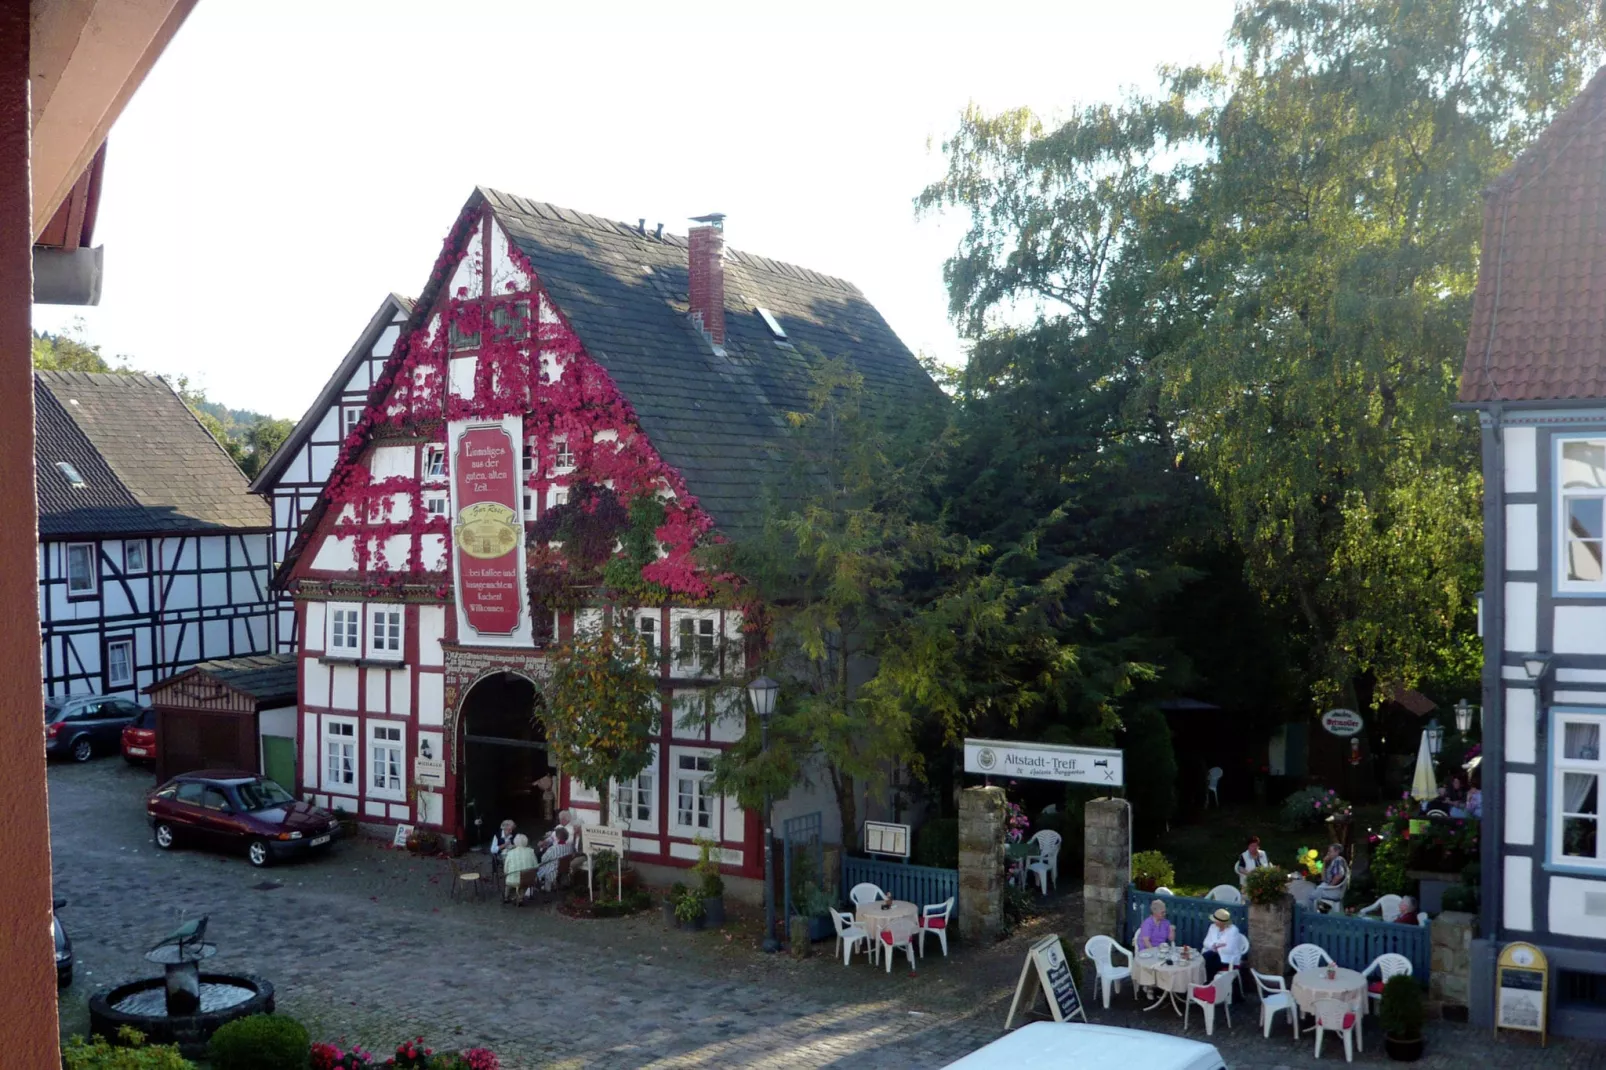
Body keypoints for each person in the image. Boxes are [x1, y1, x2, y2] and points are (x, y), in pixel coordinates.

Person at [1201, 907, 1248, 996]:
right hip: (1213, 953)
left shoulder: (1233, 930)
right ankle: (1205, 986)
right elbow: (1206, 942)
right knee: (1203, 959)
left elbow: (1230, 949)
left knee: (1209, 962)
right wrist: (1216, 945)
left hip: (1228, 959)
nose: (1214, 922)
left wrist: (1215, 946)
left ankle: (1209, 989)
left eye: (1216, 920)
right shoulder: (1212, 927)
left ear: (1222, 922)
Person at [536, 827, 575, 891]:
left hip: (552, 873)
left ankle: (544, 886)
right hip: (563, 872)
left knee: (538, 869)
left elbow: (543, 860)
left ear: (557, 837)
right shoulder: (570, 848)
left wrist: (545, 849)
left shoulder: (553, 849)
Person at [500, 834, 538, 902]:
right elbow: (536, 866)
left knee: (508, 883)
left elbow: (506, 870)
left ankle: (506, 897)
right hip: (528, 879)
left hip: (512, 880)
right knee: (524, 883)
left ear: (515, 842)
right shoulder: (531, 851)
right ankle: (520, 898)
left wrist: (506, 873)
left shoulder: (510, 853)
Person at [1312, 843, 1349, 911]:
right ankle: (1321, 911)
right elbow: (1323, 878)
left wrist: (1329, 887)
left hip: (1335, 890)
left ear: (1337, 851)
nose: (1328, 853)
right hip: (1331, 888)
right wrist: (1324, 862)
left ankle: (1315, 913)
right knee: (1314, 892)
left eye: (1330, 851)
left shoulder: (1338, 860)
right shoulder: (1333, 861)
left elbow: (1339, 875)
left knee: (1312, 895)